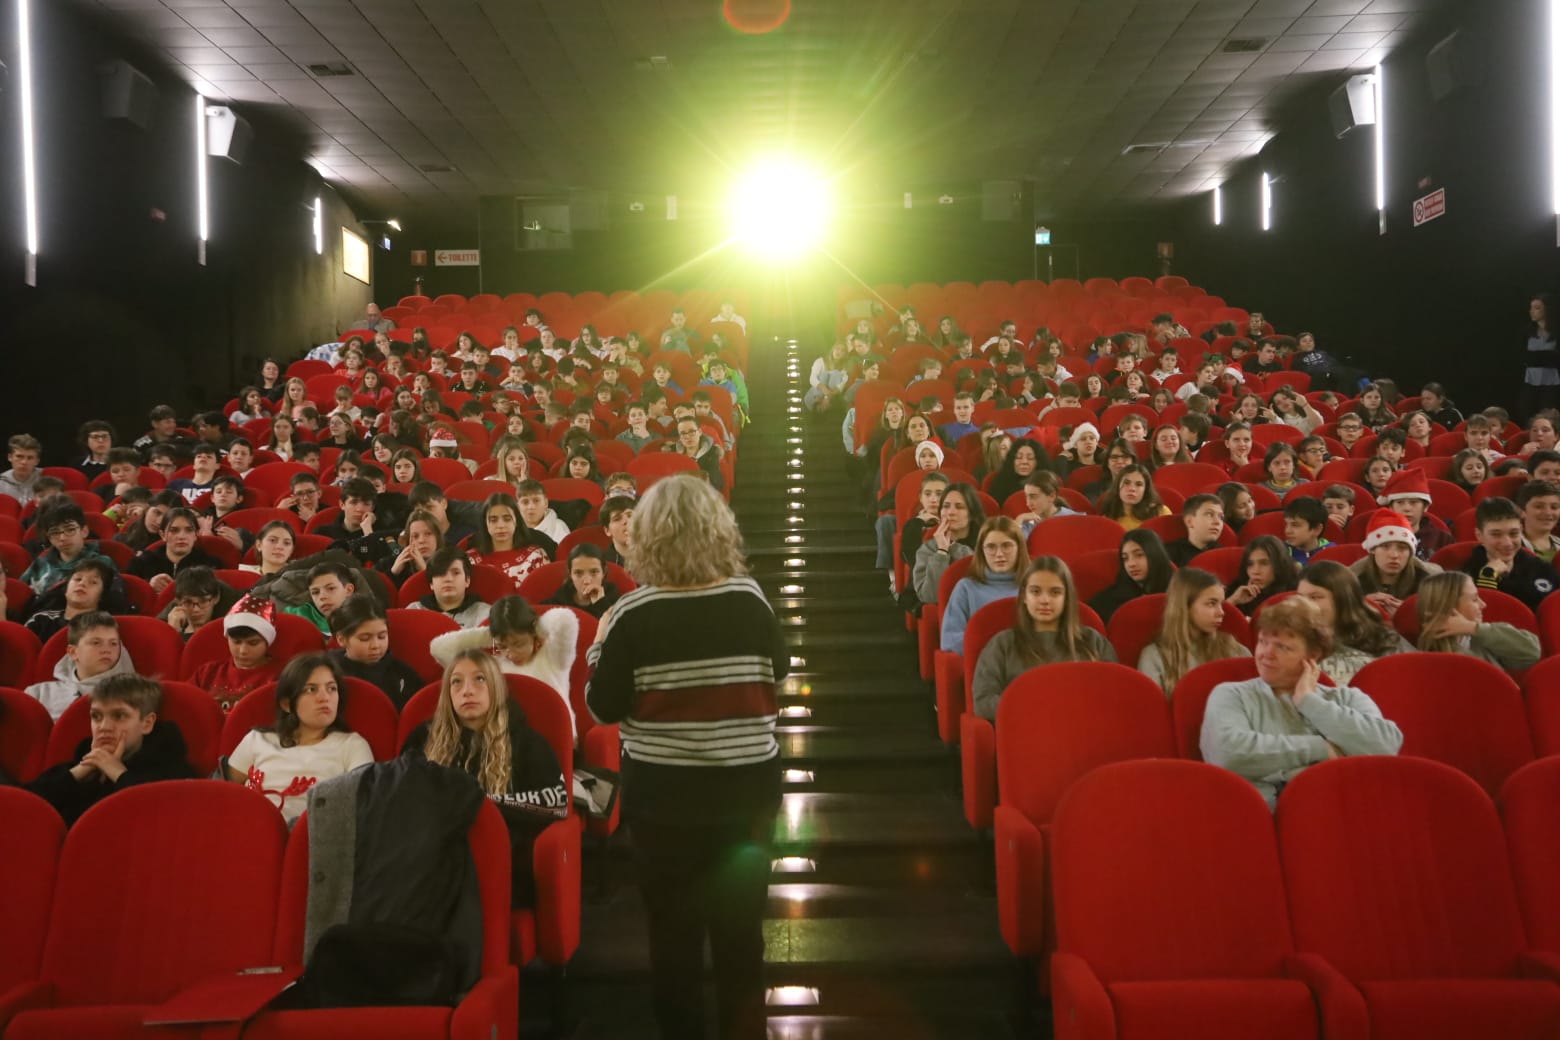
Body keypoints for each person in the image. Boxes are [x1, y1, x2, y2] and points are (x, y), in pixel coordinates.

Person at [585, 475, 786, 1040]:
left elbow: (602, 708)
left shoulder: (630, 612)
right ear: (717, 530)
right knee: (741, 936)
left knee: (673, 939)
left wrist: (599, 643)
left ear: (646, 537)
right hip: (746, 794)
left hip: (663, 802)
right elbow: (781, 669)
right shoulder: (749, 597)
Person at [1200, 596, 1404, 810]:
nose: (1266, 654)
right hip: (1263, 818)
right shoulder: (1231, 694)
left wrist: (1309, 702)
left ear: (1312, 656)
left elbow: (1386, 746)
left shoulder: (1348, 698)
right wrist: (1322, 749)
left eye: (1283, 647)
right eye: (1262, 641)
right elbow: (1228, 754)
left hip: (1339, 814)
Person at [402, 649, 569, 905]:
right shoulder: (421, 739)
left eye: (479, 679)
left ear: (496, 687)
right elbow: (401, 798)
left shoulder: (526, 742)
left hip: (497, 863)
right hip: (429, 859)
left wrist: (480, 803)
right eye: (456, 682)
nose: (467, 690)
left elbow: (556, 802)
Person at [25, 675, 197, 825]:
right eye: (96, 716)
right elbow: (25, 806)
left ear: (147, 723)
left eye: (119, 716)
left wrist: (118, 773)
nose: (104, 727)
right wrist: (81, 770)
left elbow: (168, 817)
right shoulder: (81, 761)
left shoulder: (171, 768)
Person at [224, 652, 374, 823]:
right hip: (253, 831)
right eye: (311, 689)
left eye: (332, 688)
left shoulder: (352, 745)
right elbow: (227, 792)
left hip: (316, 841)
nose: (325, 697)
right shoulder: (257, 739)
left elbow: (363, 806)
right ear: (287, 704)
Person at [972, 557, 1117, 721]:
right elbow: (983, 702)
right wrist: (1036, 710)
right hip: (1026, 733)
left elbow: (1114, 693)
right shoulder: (1002, 644)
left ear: (1066, 598)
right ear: (1024, 597)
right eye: (1035, 591)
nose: (1045, 600)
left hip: (1085, 731)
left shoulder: (1092, 641)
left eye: (1055, 592)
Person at [431, 594, 578, 730]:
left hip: (557, 736)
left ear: (534, 634)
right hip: (505, 743)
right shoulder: (493, 665)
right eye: (502, 646)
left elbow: (565, 620)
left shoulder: (554, 656)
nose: (511, 654)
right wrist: (490, 635)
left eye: (518, 644)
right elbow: (440, 648)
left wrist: (536, 628)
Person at [1137, 567, 1251, 694]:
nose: (1221, 612)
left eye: (1221, 604)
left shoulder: (1233, 648)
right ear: (1184, 607)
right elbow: (1153, 710)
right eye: (1211, 603)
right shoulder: (1154, 657)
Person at [1296, 560, 1413, 683]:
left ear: (1342, 599)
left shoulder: (1384, 639)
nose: (1304, 604)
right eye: (1300, 598)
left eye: (1315, 597)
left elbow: (1410, 676)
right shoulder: (1291, 640)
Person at [1415, 571, 1541, 673]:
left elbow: (1531, 653)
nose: (1483, 604)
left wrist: (1474, 628)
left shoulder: (1482, 637)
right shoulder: (1425, 655)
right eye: (1474, 599)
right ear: (1449, 605)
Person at [26, 612, 138, 721]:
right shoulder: (38, 693)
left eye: (113, 643)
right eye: (96, 642)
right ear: (73, 652)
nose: (106, 650)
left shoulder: (132, 696)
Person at [940, 517, 1027, 655]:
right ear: (982, 551)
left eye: (1006, 546)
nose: (999, 554)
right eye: (991, 547)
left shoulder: (1033, 586)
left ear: (1019, 548)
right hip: (984, 665)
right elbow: (950, 640)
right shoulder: (966, 588)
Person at [188, 594, 284, 713]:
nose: (243, 651)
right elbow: (187, 707)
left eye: (253, 643)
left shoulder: (282, 675)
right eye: (236, 642)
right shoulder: (207, 673)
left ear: (267, 642)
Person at [1463, 495, 1560, 610]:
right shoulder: (1465, 576)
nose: (1507, 543)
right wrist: (1487, 578)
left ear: (1521, 531)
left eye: (1514, 533)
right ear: (1479, 536)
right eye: (1496, 534)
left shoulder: (1542, 569)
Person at [328, 595, 423, 710]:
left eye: (382, 636)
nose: (375, 645)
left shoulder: (400, 673)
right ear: (341, 639)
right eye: (365, 638)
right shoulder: (328, 670)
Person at [1351, 510, 1443, 617]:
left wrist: (1410, 613)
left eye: (1402, 548)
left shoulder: (1430, 579)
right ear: (1372, 549)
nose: (1394, 555)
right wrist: (1359, 607)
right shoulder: (1351, 580)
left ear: (1411, 552)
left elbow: (1442, 618)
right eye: (1385, 546)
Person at [20, 501, 117, 596]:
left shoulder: (101, 563)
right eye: (55, 532)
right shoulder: (40, 564)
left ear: (84, 531)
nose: (62, 538)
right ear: (49, 538)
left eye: (70, 530)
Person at [911, 483, 985, 605]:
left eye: (959, 507)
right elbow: (930, 597)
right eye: (945, 506)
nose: (951, 512)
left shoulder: (988, 543)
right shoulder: (928, 549)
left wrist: (954, 548)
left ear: (971, 514)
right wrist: (942, 552)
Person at [468, 491, 553, 592]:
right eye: (493, 520)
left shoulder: (536, 556)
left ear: (516, 521)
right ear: (485, 524)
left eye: (507, 519)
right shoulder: (470, 561)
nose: (500, 525)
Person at [24, 558, 125, 643]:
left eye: (93, 582)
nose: (82, 584)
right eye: (77, 579)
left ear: (102, 595)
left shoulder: (107, 626)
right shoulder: (41, 620)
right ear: (65, 589)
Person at [1089, 529, 1175, 623]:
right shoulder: (1110, 599)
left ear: (1155, 555)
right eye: (1125, 558)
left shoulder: (1178, 591)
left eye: (1139, 555)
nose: (1131, 564)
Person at [407, 546, 491, 627]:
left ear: (467, 580)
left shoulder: (486, 614)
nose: (448, 579)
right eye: (441, 573)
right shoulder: (413, 611)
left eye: (456, 573)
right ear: (431, 584)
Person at [1226, 535, 1300, 616]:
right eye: (1250, 564)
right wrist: (1233, 601)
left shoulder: (1296, 592)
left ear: (1279, 564)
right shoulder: (1237, 589)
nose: (1255, 571)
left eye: (1264, 563)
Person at [159, 565, 241, 639]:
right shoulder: (170, 625)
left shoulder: (227, 634)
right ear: (178, 602)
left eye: (203, 601)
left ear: (216, 598)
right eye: (188, 602)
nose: (196, 609)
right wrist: (172, 632)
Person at [544, 543, 621, 619]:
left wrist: (601, 603)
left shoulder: (616, 600)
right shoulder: (559, 601)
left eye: (594, 572)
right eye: (578, 573)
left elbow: (621, 628)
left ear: (604, 572)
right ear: (570, 574)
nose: (587, 581)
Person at [282, 561, 358, 636]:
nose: (322, 597)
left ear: (348, 590)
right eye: (315, 592)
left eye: (331, 588)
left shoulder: (365, 617)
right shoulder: (297, 615)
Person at [1096, 463, 1170, 531]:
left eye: (1138, 484)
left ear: (1146, 489)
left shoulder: (1161, 512)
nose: (1132, 488)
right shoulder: (1109, 516)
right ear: (1117, 486)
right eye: (1127, 483)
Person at [1521, 292, 1558, 420]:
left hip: (1552, 381)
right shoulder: (1527, 332)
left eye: (1537, 308)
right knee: (1528, 413)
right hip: (1530, 380)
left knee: (1548, 415)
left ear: (1547, 310)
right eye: (1531, 308)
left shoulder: (1556, 331)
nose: (1532, 311)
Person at [1165, 493, 1226, 567]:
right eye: (1209, 514)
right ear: (1189, 521)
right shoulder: (1169, 553)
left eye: (1221, 517)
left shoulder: (1224, 554)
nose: (1217, 522)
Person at [1517, 479, 1560, 562]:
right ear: (1521, 511)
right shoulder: (1511, 546)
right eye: (1539, 506)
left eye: (1554, 507)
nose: (1548, 512)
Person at [1281, 497, 1331, 565]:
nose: (1287, 531)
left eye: (1295, 525)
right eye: (1286, 524)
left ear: (1317, 529)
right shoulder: (1280, 554)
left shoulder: (1333, 553)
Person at [0, 433, 42, 506]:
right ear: (10, 457)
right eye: (19, 456)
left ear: (37, 461)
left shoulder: (46, 478)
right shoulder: (1, 482)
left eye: (30, 458)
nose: (24, 462)